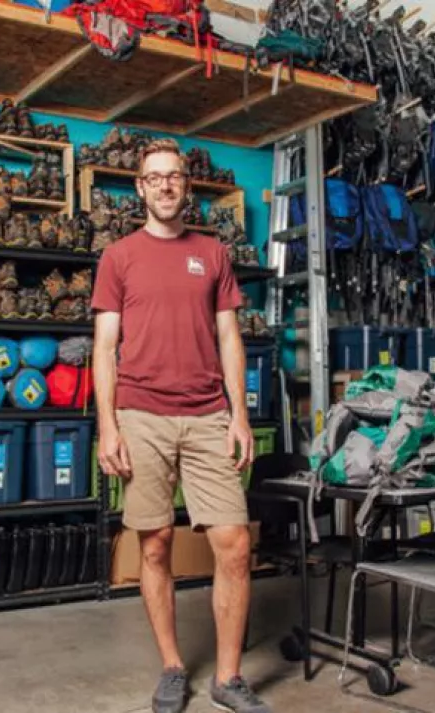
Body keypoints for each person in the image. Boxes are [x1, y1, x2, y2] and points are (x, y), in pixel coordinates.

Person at [91, 139, 268, 713]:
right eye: (154, 177)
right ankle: (172, 666)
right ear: (139, 188)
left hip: (207, 414)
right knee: (156, 543)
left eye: (175, 177)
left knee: (235, 544)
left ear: (187, 188)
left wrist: (240, 415)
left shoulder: (213, 253)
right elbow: (104, 347)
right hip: (141, 415)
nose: (165, 185)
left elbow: (229, 338)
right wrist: (108, 428)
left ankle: (229, 677)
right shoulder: (118, 257)